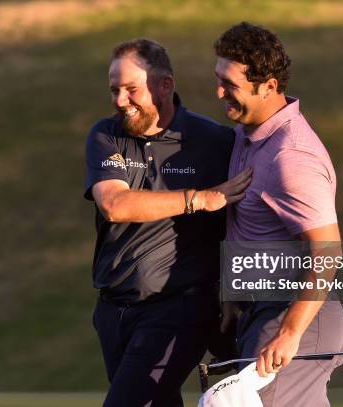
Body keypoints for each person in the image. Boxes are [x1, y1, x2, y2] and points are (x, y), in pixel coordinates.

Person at [84, 38, 251, 407]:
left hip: (178, 306)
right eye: (114, 90)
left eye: (131, 90)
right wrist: (199, 199)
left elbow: (252, 213)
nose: (119, 101)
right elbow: (114, 204)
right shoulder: (105, 135)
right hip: (113, 310)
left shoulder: (214, 141)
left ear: (165, 85)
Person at [213, 22, 343, 406]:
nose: (219, 92)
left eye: (230, 84)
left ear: (269, 87)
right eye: (219, 79)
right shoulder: (249, 133)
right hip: (262, 310)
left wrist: (290, 332)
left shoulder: (290, 157)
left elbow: (327, 250)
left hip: (294, 318)